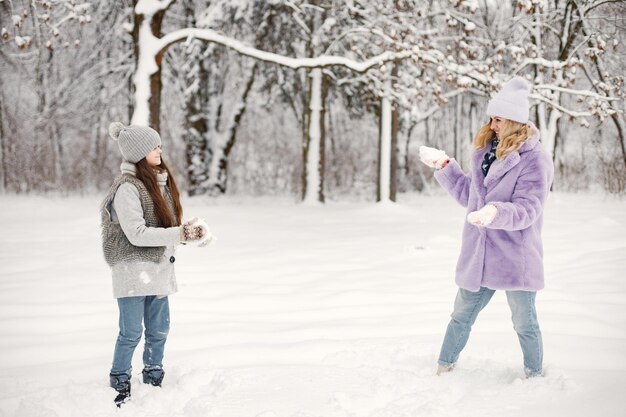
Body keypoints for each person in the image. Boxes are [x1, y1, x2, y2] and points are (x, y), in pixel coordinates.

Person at [418, 76, 554, 378]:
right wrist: (446, 168)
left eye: (500, 119)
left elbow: (529, 209)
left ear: (517, 122)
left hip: (514, 257)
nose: (493, 125)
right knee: (461, 315)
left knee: (524, 322)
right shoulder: (485, 154)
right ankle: (443, 369)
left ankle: (535, 375)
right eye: (492, 118)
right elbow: (470, 197)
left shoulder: (535, 160)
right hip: (479, 256)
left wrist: (495, 212)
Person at [100, 122, 214, 406]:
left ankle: (153, 374)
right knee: (131, 332)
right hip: (132, 269)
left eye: (159, 144)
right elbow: (137, 234)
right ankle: (119, 378)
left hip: (159, 268)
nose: (160, 149)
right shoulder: (127, 188)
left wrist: (193, 234)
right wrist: (179, 234)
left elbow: (166, 227)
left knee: (159, 328)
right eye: (154, 146)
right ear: (139, 152)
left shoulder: (158, 182)